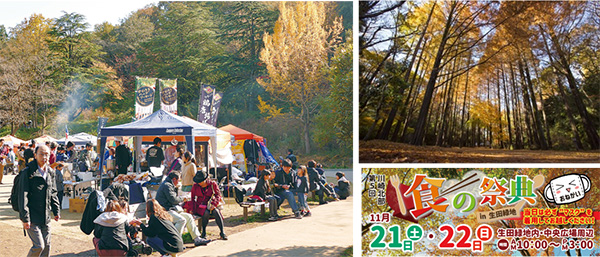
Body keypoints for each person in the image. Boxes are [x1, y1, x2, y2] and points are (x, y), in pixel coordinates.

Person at [19, 144, 61, 257]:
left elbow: (53, 192)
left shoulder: (51, 172)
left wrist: (56, 211)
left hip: (45, 215)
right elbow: (23, 195)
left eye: (47, 154)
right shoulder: (27, 172)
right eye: (41, 154)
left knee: (47, 246)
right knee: (39, 246)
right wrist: (25, 218)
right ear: (35, 155)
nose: (44, 157)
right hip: (32, 216)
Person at [155, 171, 207, 246]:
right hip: (164, 211)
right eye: (178, 180)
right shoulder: (167, 185)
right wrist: (183, 198)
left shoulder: (168, 184)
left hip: (170, 209)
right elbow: (173, 200)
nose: (178, 182)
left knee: (188, 217)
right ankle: (175, 242)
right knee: (181, 220)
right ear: (174, 179)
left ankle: (197, 239)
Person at [189, 170, 227, 240]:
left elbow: (218, 195)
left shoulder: (212, 184)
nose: (199, 183)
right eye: (198, 181)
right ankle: (204, 232)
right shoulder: (195, 186)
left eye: (201, 181)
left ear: (205, 179)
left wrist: (214, 204)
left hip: (210, 204)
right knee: (205, 213)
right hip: (200, 206)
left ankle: (222, 232)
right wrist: (192, 210)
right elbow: (192, 199)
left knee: (216, 211)